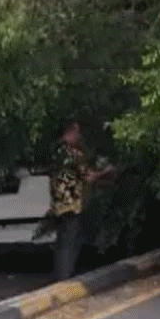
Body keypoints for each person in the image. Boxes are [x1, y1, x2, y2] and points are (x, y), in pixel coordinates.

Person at [49, 120, 114, 280]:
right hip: (69, 204)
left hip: (63, 203)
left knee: (67, 240)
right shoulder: (69, 153)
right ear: (69, 132)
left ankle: (63, 275)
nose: (79, 136)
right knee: (69, 242)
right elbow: (89, 177)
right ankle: (64, 277)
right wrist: (106, 171)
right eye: (76, 132)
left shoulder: (59, 152)